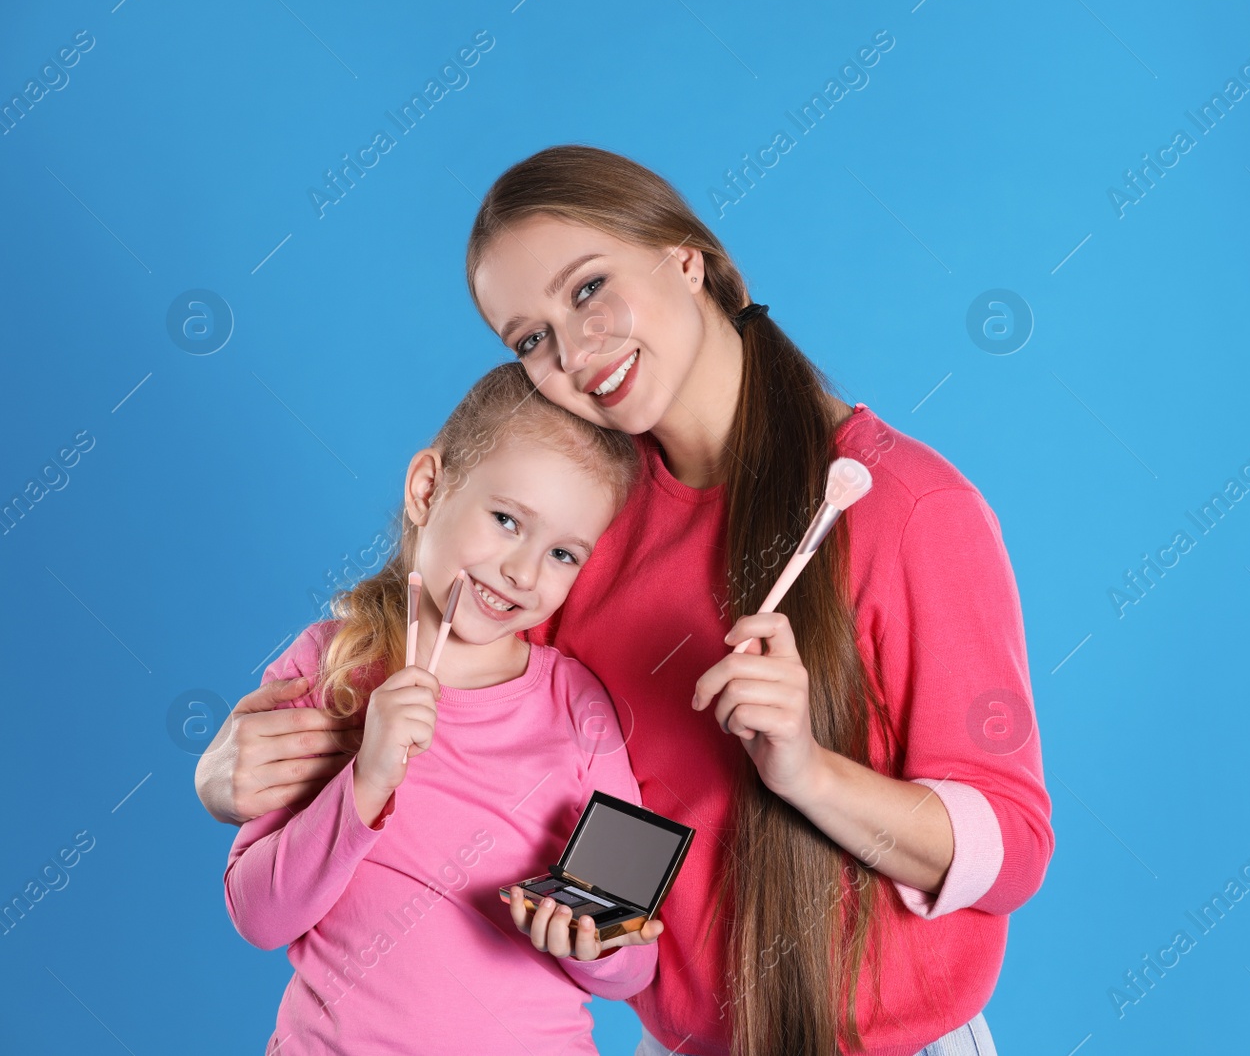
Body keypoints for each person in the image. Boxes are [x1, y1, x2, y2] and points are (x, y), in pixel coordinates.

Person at [200, 144, 1054, 1056]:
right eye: (529, 338)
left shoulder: (910, 510)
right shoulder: (578, 526)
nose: (573, 352)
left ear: (686, 258)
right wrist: (230, 774)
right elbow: (427, 667)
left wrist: (808, 771)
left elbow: (1011, 846)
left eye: (586, 288)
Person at [223, 363, 662, 1054]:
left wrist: (593, 942)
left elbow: (635, 958)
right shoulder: (327, 663)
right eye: (506, 519)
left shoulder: (582, 708)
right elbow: (257, 914)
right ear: (428, 488)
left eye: (563, 553)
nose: (523, 571)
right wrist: (365, 780)